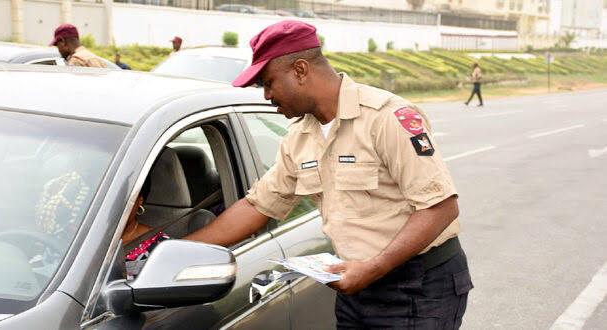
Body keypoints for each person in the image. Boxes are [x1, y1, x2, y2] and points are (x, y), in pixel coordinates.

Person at [185, 20, 472, 329]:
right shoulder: (300, 136)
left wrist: (374, 268)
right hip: (355, 287)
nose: (267, 95)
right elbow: (257, 206)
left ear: (300, 70)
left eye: (269, 82)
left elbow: (440, 207)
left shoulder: (387, 117)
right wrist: (181, 250)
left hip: (418, 288)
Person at [121, 177, 170, 279]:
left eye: (123, 197)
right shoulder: (84, 236)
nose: (115, 206)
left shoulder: (159, 247)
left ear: (140, 201)